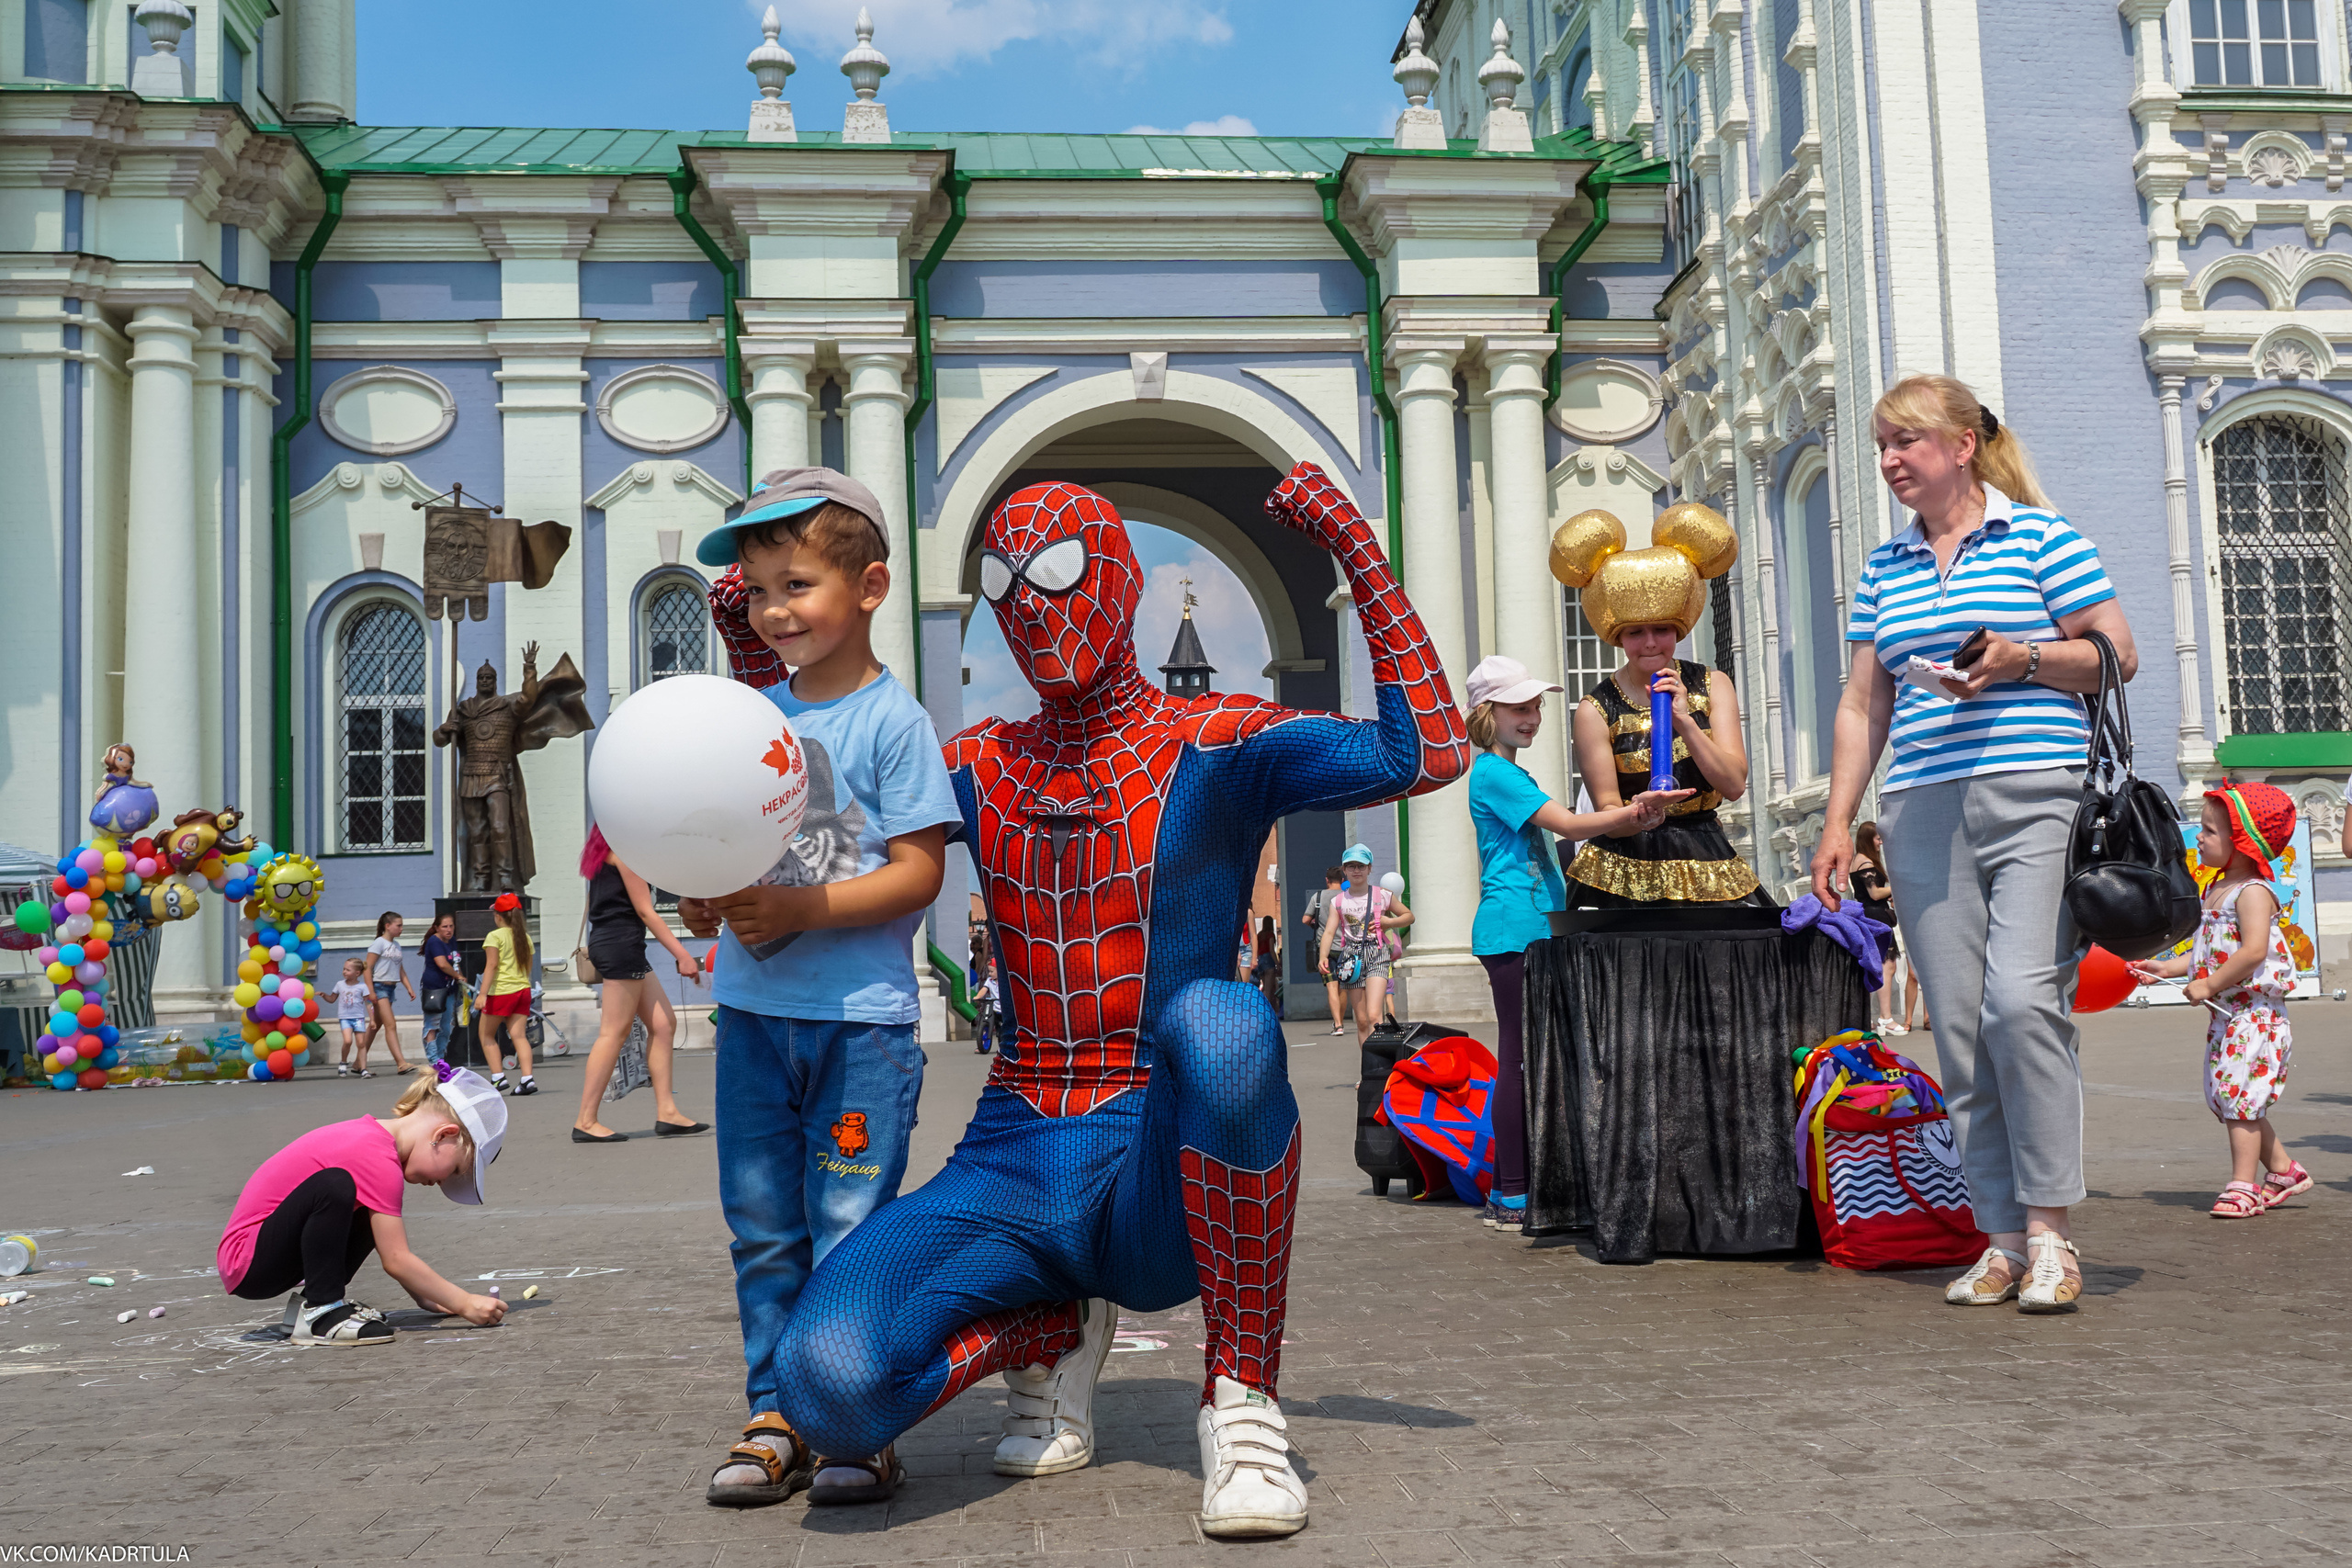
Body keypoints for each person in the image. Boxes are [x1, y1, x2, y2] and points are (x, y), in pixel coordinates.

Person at [741, 468, 1468, 1539]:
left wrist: (1352, 543)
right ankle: (1041, 1330)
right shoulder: (978, 765)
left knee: (1222, 1023)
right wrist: (762, 649)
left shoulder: (1216, 743)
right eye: (1004, 581)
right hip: (1014, 1151)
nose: (1032, 602)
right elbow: (815, 784)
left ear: (1119, 582)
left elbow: (1429, 751)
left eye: (1060, 571)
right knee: (828, 1390)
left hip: (1160, 1169)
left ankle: (1241, 1398)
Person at [1810, 373, 2139, 1315]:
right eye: (1880, 444)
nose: (1888, 460)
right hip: (1919, 803)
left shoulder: (2042, 537)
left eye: (1905, 441)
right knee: (1956, 1024)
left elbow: (2118, 652)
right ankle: (1996, 1238)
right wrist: (1838, 822)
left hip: (2037, 789)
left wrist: (2021, 659)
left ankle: (2050, 1235)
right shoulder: (1885, 567)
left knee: (2018, 1003)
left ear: (1960, 445)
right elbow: (1861, 702)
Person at [682, 468, 958, 1510]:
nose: (773, 610)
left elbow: (918, 873)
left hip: (859, 1029)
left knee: (849, 1228)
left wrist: (797, 909)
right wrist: (714, 903)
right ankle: (776, 1414)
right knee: (762, 1228)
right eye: (757, 592)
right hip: (754, 1020)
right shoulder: (749, 716)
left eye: (795, 584)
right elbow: (724, 847)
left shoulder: (895, 723)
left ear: (871, 585)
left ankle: (856, 1420)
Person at [1463, 653, 1684, 1234]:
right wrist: (1633, 814)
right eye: (1519, 707)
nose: (1532, 716)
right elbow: (1567, 825)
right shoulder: (1495, 772)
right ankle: (1511, 1192)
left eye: (1535, 706)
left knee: (1530, 1058)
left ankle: (1522, 1181)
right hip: (1516, 928)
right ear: (1488, 714)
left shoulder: (1507, 771)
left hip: (1532, 925)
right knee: (1516, 1058)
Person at [216, 1062, 508, 1346]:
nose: (444, 1183)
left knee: (371, 1207)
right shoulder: (376, 1156)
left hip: (265, 1259)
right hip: (250, 1261)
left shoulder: (376, 1144)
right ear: (444, 1135)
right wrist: (465, 1302)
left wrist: (425, 1294)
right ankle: (322, 1312)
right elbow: (396, 1259)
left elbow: (389, 1246)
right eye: (455, 1170)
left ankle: (311, 1307)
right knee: (336, 1185)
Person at [2130, 784, 2312, 1218]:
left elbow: (2251, 952)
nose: (2200, 839)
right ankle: (2285, 1170)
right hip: (2228, 1017)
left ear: (2243, 842)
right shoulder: (2216, 889)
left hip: (2255, 1016)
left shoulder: (2252, 892)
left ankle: (2242, 1186)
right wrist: (2167, 969)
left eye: (2210, 831)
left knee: (2240, 1099)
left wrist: (2209, 986)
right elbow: (2207, 954)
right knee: (2230, 1098)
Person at [573, 826, 708, 1144]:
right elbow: (647, 912)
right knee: (613, 1033)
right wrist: (683, 955)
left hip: (621, 945)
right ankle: (586, 1120)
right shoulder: (624, 855)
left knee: (663, 1024)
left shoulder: (605, 854)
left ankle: (668, 1113)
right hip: (622, 946)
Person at [1319, 845, 1411, 1046]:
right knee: (1361, 1021)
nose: (1356, 870)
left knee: (1373, 1017)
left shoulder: (1382, 895)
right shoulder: (1339, 901)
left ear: (1370, 869)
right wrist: (1323, 956)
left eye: (1361, 866)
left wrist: (1388, 922)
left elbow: (1408, 916)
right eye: (1351, 866)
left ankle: (1378, 1070)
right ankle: (1367, 1070)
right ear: (1344, 870)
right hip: (1351, 959)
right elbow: (1328, 932)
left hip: (1377, 953)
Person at [477, 893, 537, 1096]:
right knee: (519, 1036)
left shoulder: (494, 936)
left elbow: (491, 965)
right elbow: (528, 967)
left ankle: (498, 1077)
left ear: (498, 915)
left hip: (501, 992)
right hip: (522, 990)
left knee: (486, 1035)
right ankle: (527, 1079)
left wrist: (482, 994)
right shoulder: (525, 937)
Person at [1850, 823, 1904, 1034]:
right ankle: (1885, 1018)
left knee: (1877, 965)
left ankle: (1870, 1018)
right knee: (1886, 966)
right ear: (1868, 838)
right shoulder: (1865, 862)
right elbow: (1874, 893)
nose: (1881, 842)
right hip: (1875, 917)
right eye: (1877, 838)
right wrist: (1896, 887)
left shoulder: (1860, 860)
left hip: (1870, 916)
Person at [358, 912, 415, 1074]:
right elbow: (367, 968)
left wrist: (408, 987)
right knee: (391, 1024)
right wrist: (370, 991)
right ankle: (401, 1063)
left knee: (375, 1026)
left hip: (391, 988)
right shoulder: (379, 943)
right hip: (379, 987)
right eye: (399, 925)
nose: (401, 928)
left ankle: (357, 1062)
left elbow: (400, 968)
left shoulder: (397, 946)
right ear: (387, 926)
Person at [1301, 867, 1347, 1036]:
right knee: (1343, 987)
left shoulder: (1318, 897)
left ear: (1326, 880)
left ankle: (1338, 1024)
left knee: (1331, 987)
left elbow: (1305, 919)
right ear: (1342, 881)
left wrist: (1316, 924)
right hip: (1345, 948)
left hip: (1325, 950)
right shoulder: (1345, 897)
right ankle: (1340, 1021)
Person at [419, 914, 461, 1064]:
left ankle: (441, 1057)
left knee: (446, 1025)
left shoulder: (452, 941)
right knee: (432, 1024)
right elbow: (442, 964)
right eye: (445, 927)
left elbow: (455, 962)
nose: (449, 930)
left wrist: (459, 976)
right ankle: (433, 1059)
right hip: (434, 989)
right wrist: (458, 976)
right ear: (437, 928)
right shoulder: (434, 942)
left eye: (451, 926)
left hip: (449, 989)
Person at [333, 958, 374, 1077]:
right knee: (347, 1041)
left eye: (348, 970)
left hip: (358, 1018)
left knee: (361, 1043)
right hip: (345, 1018)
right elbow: (332, 998)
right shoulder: (340, 984)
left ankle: (363, 1068)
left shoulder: (362, 986)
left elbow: (369, 1003)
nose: (344, 971)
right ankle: (343, 1062)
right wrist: (324, 996)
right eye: (344, 969)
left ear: (357, 973)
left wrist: (372, 1019)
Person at [1252, 916, 1280, 1010]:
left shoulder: (1259, 935)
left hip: (1261, 960)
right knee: (1268, 988)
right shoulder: (1270, 935)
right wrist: (1277, 963)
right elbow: (1272, 950)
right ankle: (1265, 1009)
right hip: (1268, 959)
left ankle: (1267, 1007)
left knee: (1265, 986)